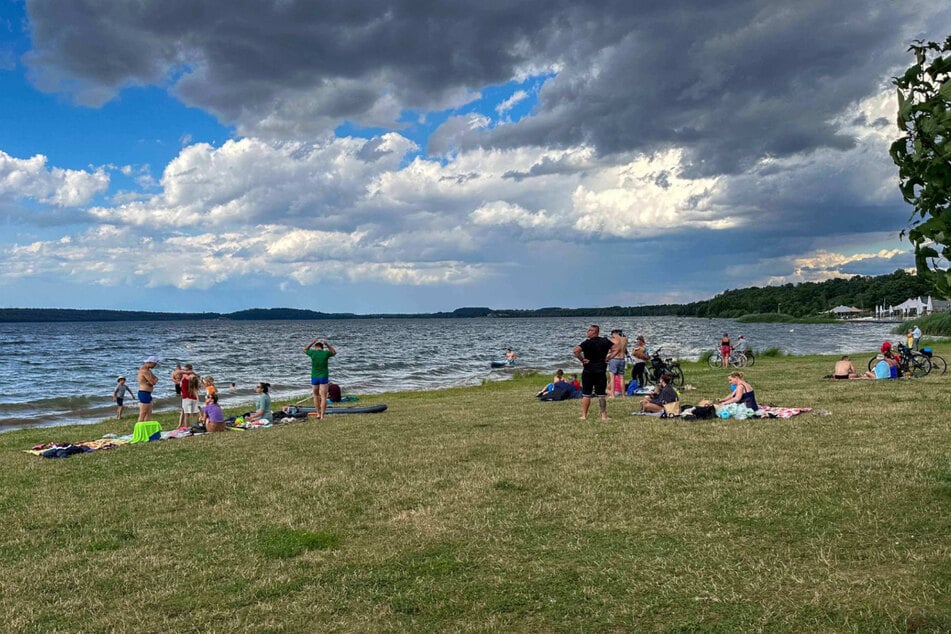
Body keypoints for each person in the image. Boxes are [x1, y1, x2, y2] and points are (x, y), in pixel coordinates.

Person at [572, 324, 613, 421]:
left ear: (594, 331)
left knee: (586, 394)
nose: (587, 332)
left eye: (589, 330)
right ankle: (603, 416)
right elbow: (617, 348)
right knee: (601, 395)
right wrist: (609, 357)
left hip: (588, 371)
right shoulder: (605, 341)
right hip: (600, 370)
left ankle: (584, 415)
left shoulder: (587, 343)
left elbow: (575, 350)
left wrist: (582, 359)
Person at [305, 337, 337, 420]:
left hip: (314, 377)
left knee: (315, 395)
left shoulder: (312, 353)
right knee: (323, 397)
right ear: (322, 347)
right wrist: (327, 344)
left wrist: (312, 342)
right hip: (323, 377)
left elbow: (305, 350)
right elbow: (334, 352)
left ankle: (318, 414)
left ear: (316, 347)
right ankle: (322, 416)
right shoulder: (325, 353)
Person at [136, 356, 159, 421]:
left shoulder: (148, 371)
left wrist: (152, 381)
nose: (155, 366)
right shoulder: (144, 371)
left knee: (149, 413)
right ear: (150, 362)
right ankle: (138, 429)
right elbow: (153, 382)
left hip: (148, 393)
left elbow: (156, 378)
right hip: (144, 393)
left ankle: (146, 428)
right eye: (154, 364)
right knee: (143, 413)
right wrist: (152, 381)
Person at [607, 329, 628, 398]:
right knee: (621, 377)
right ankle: (623, 395)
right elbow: (624, 349)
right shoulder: (625, 339)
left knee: (612, 377)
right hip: (622, 359)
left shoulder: (613, 340)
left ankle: (612, 395)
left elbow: (610, 350)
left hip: (614, 359)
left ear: (614, 334)